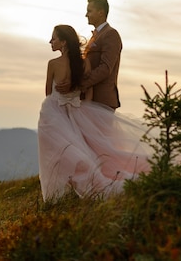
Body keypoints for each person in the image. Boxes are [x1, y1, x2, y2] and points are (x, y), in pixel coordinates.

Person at [37, 24, 152, 202]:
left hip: (54, 114)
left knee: (57, 153)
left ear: (64, 42)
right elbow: (88, 90)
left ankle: (56, 196)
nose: (50, 41)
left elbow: (48, 93)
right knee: (90, 149)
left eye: (54, 38)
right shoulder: (84, 63)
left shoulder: (53, 64)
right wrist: (85, 110)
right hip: (78, 110)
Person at [56, 0, 122, 110]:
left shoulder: (110, 34)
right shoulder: (94, 36)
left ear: (101, 12)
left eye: (89, 11)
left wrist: (78, 84)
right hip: (89, 99)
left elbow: (106, 68)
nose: (86, 15)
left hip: (102, 100)